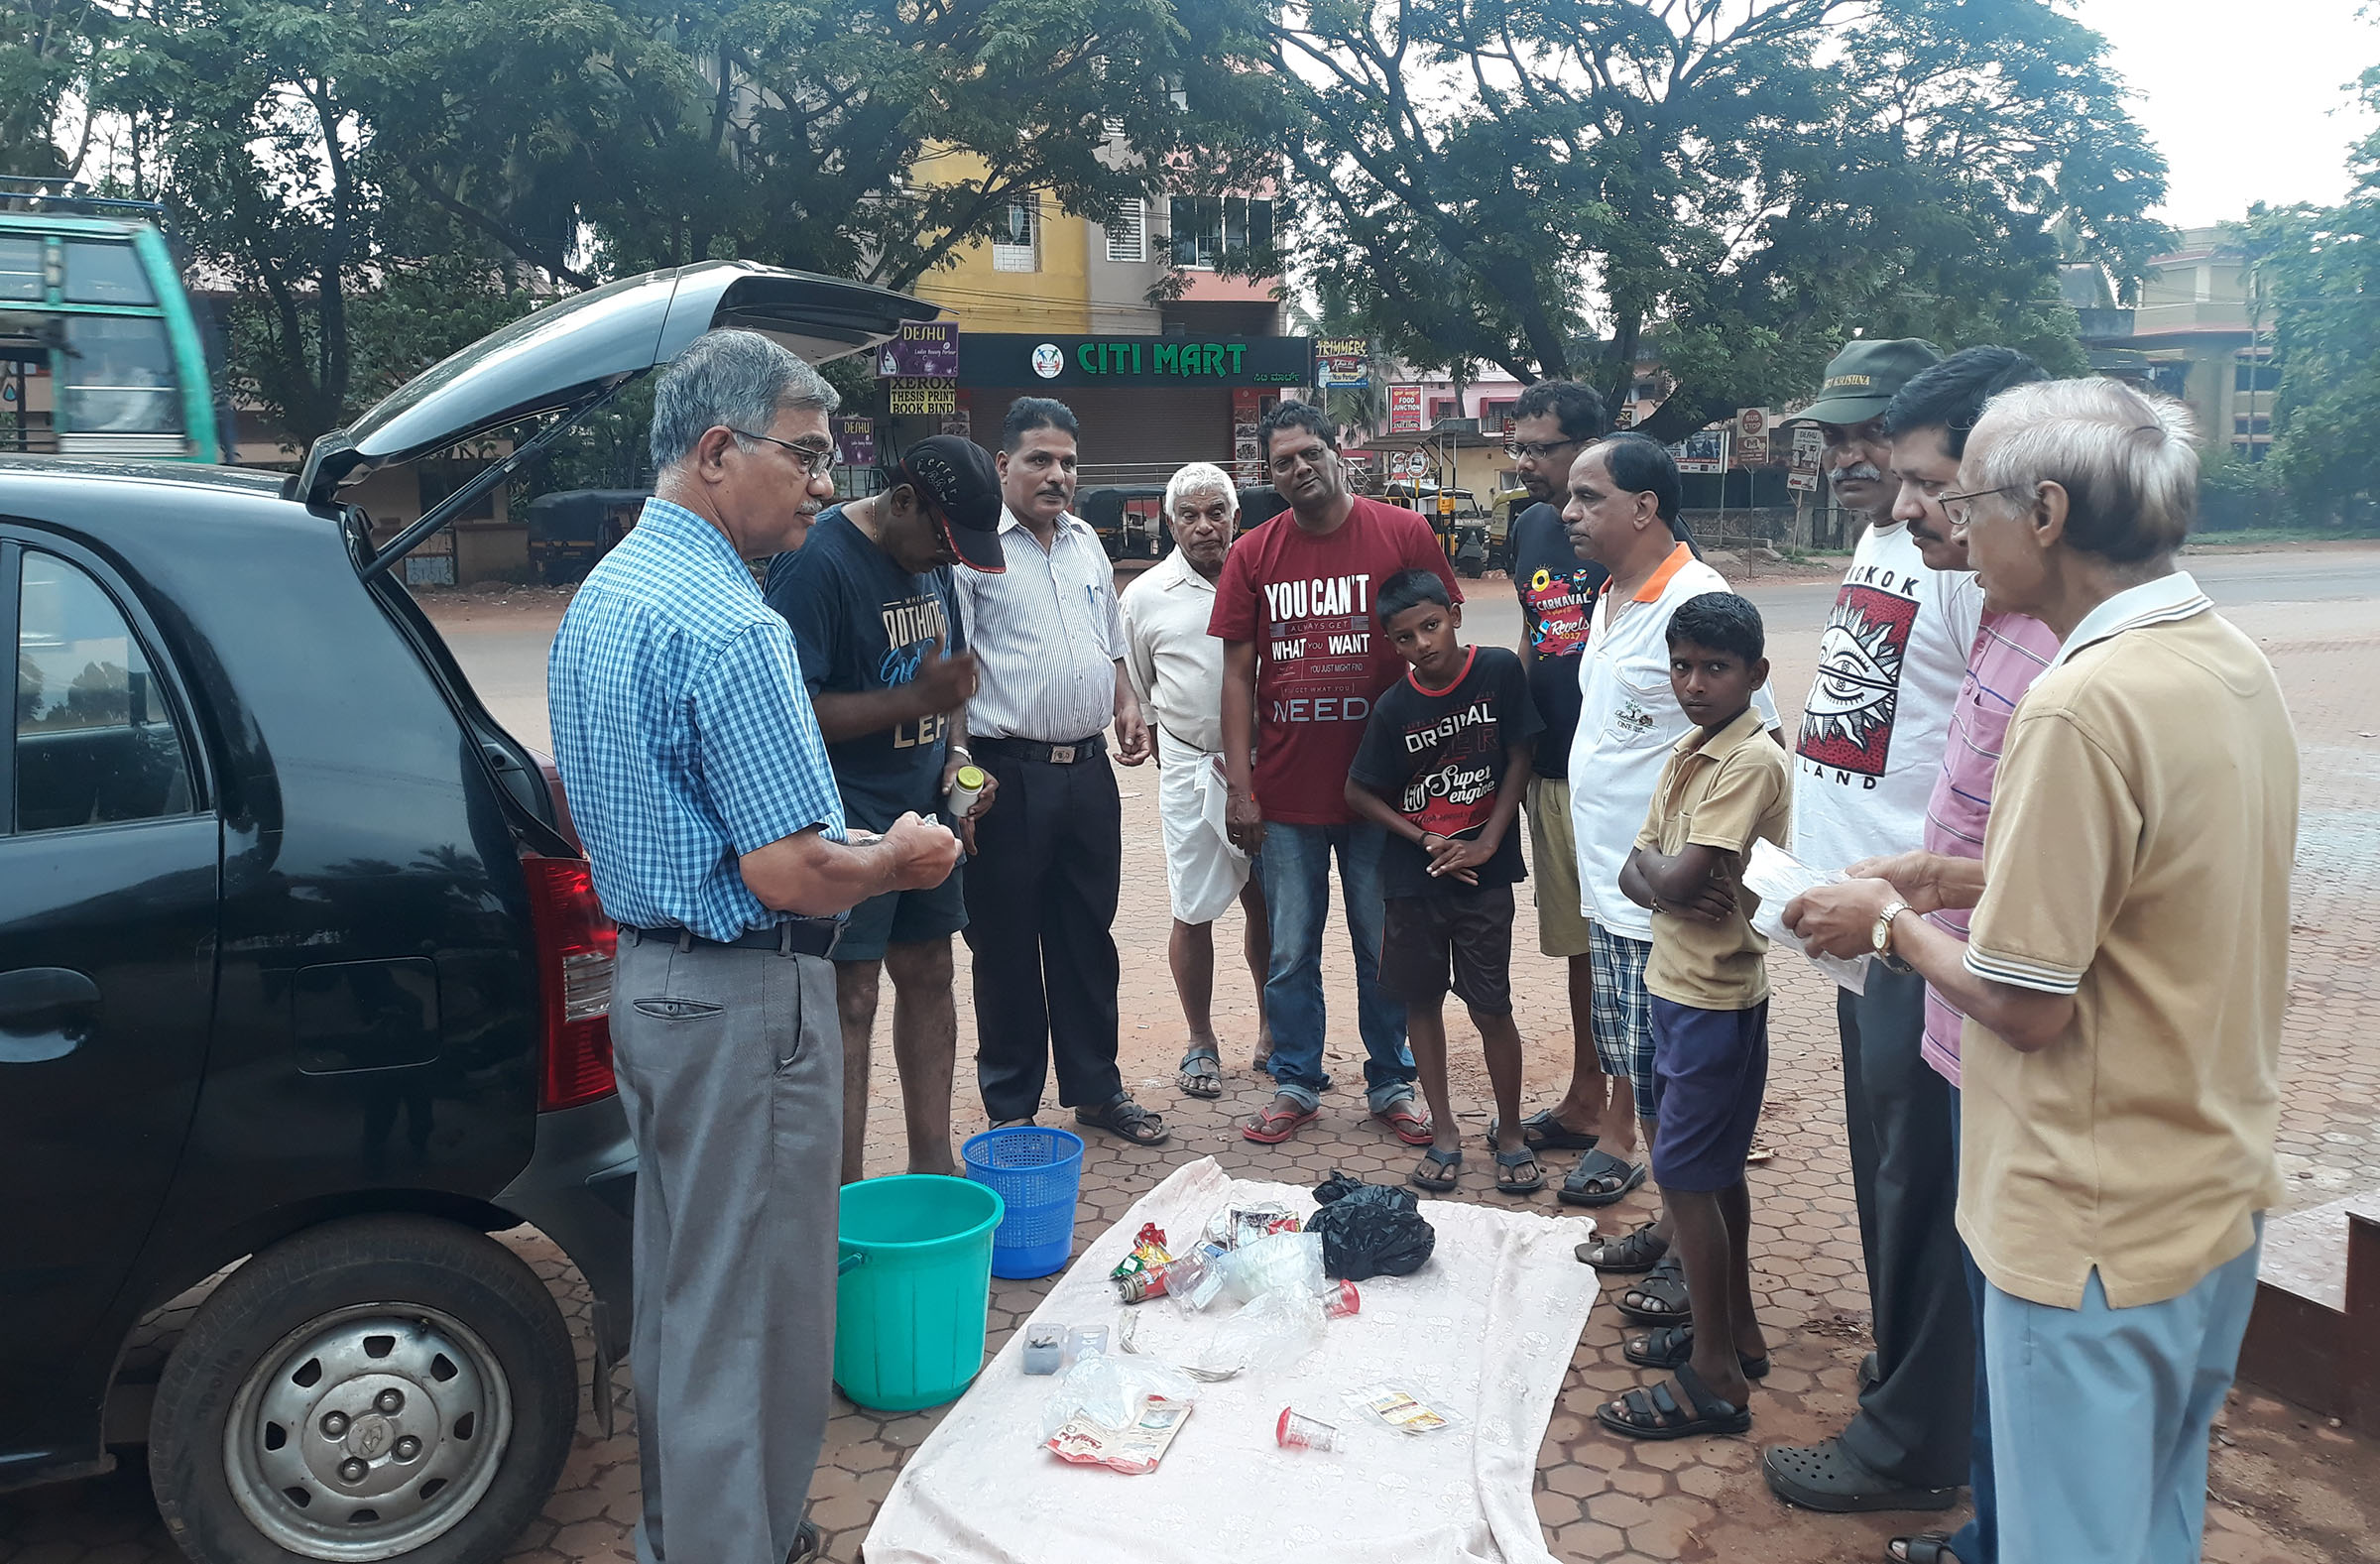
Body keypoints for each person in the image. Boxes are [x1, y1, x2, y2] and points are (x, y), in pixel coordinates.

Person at [1784, 378, 2295, 1564]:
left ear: (2048, 512)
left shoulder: (2078, 702)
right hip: (2205, 1194)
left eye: (1967, 501)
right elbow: (2152, 894)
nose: (1952, 528)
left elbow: (2023, 1000)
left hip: (2087, 1221)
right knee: (2151, 1521)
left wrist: (1886, 925)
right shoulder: (2222, 660)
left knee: (2069, 1540)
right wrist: (1951, 876)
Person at [546, 329, 963, 1564]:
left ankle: (686, 1532)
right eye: (807, 455)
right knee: (760, 1309)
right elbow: (789, 868)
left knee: (689, 1286)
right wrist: (898, 855)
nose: (825, 484)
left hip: (654, 983)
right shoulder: (735, 623)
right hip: (739, 999)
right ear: (721, 451)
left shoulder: (606, 593)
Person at [1763, 337, 1985, 1517]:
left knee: (1923, 1177)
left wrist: (1907, 902)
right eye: (1837, 437)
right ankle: (1914, 1366)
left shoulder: (1961, 557)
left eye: (1872, 440)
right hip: (1866, 918)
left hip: (1921, 923)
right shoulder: (1887, 537)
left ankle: (1915, 1434)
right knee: (1889, 1170)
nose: (1851, 460)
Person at [1860, 345, 2052, 1564]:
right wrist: (1931, 881)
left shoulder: (2069, 672)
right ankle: (1986, 1524)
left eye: (1934, 487)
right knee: (1971, 1278)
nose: (1906, 513)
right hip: (1956, 1005)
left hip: (2003, 1025)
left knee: (2022, 1328)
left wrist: (1890, 921)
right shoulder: (1997, 622)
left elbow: (2058, 941)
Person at [1561, 436, 1780, 1303]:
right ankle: (1671, 1228)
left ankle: (1703, 1271)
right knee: (1649, 1086)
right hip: (1622, 898)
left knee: (1675, 1103)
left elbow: (1758, 744)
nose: (1567, 512)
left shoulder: (1698, 601)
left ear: (1644, 506)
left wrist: (1720, 863)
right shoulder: (1611, 596)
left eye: (1588, 496)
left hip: (1668, 910)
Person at [1211, 400, 1462, 1146]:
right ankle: (1296, 1077)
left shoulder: (1403, 532)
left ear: (1337, 451)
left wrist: (1442, 766)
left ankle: (1391, 1078)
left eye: (1309, 453)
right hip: (1286, 793)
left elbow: (1444, 637)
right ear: (1269, 473)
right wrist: (1241, 786)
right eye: (1282, 460)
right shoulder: (1253, 552)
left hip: (1384, 795)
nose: (1298, 468)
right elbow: (1234, 676)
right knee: (1289, 947)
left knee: (1382, 940)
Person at [764, 434, 1009, 1185]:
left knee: (931, 970)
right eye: (943, 542)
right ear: (902, 501)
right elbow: (786, 706)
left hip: (924, 810)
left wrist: (959, 763)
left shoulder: (933, 566)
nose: (948, 561)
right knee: (853, 993)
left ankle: (934, 1170)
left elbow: (952, 687)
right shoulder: (817, 563)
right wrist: (911, 701)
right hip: (844, 817)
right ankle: (837, 1201)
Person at [1596, 590, 1790, 1442]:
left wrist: (1661, 873)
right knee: (1714, 1171)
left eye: (1715, 668)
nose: (1694, 683)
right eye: (1681, 666)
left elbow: (1666, 882)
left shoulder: (1749, 761)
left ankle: (1713, 1375)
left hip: (1713, 995)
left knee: (1686, 1175)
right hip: (1682, 983)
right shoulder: (1689, 749)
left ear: (1757, 674)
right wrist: (1659, 871)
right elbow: (1639, 870)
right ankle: (1735, 1333)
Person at [952, 397, 1167, 1144]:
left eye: (1069, 462)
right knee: (1005, 944)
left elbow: (1109, 642)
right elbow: (955, 671)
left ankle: (1097, 1089)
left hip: (1087, 774)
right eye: (1040, 460)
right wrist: (960, 774)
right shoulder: (972, 549)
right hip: (1004, 773)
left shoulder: (1083, 544)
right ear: (1003, 464)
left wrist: (1126, 704)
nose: (1058, 475)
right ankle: (1011, 1106)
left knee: (1086, 935)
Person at [1344, 568, 1542, 1194]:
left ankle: (1511, 1133)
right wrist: (1420, 836)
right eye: (1404, 637)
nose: (1422, 644)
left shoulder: (1498, 673)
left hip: (1484, 881)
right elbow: (1357, 791)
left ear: (1454, 614)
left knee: (1490, 1006)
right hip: (1412, 884)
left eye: (1431, 626)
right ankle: (1446, 1134)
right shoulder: (1394, 708)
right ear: (1391, 643)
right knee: (1421, 1004)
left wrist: (1487, 840)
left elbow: (1520, 754)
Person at [1120, 461, 1273, 1099]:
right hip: (1191, 766)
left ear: (1236, 517)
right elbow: (1128, 673)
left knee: (1268, 900)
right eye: (1189, 515)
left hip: (1272, 766)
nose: (1204, 527)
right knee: (1192, 907)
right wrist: (1137, 716)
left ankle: (1273, 1031)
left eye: (1217, 513)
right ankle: (1201, 1041)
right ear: (1170, 522)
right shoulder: (1147, 595)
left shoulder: (1266, 577)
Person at [1499, 380, 1619, 1157]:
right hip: (1551, 771)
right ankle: (1585, 1095)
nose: (1523, 463)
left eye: (1539, 448)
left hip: (1619, 780)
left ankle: (1631, 1120)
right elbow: (1533, 632)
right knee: (1579, 942)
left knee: (1631, 946)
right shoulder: (1532, 528)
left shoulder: (1645, 529)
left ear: (1586, 446)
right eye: (1520, 447)